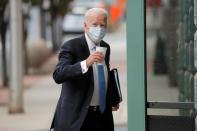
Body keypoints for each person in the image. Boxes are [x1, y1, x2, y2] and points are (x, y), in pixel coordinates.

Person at [50, 8, 119, 131]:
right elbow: (58, 74)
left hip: (102, 116)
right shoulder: (72, 46)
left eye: (102, 25)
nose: (99, 28)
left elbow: (103, 75)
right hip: (77, 118)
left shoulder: (105, 47)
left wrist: (113, 98)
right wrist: (86, 63)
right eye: (95, 24)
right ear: (85, 26)